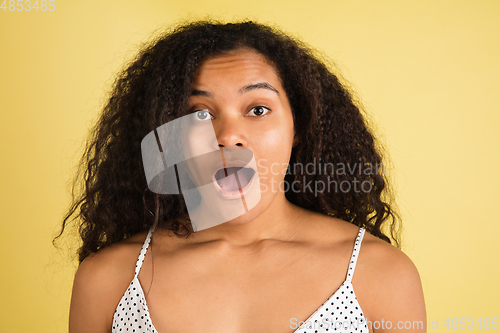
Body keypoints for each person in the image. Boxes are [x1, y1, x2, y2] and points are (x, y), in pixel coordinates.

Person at [59, 20, 426, 332]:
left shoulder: (379, 273)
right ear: (168, 137)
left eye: (258, 108)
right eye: (199, 112)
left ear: (298, 126)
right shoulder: (109, 278)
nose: (226, 136)